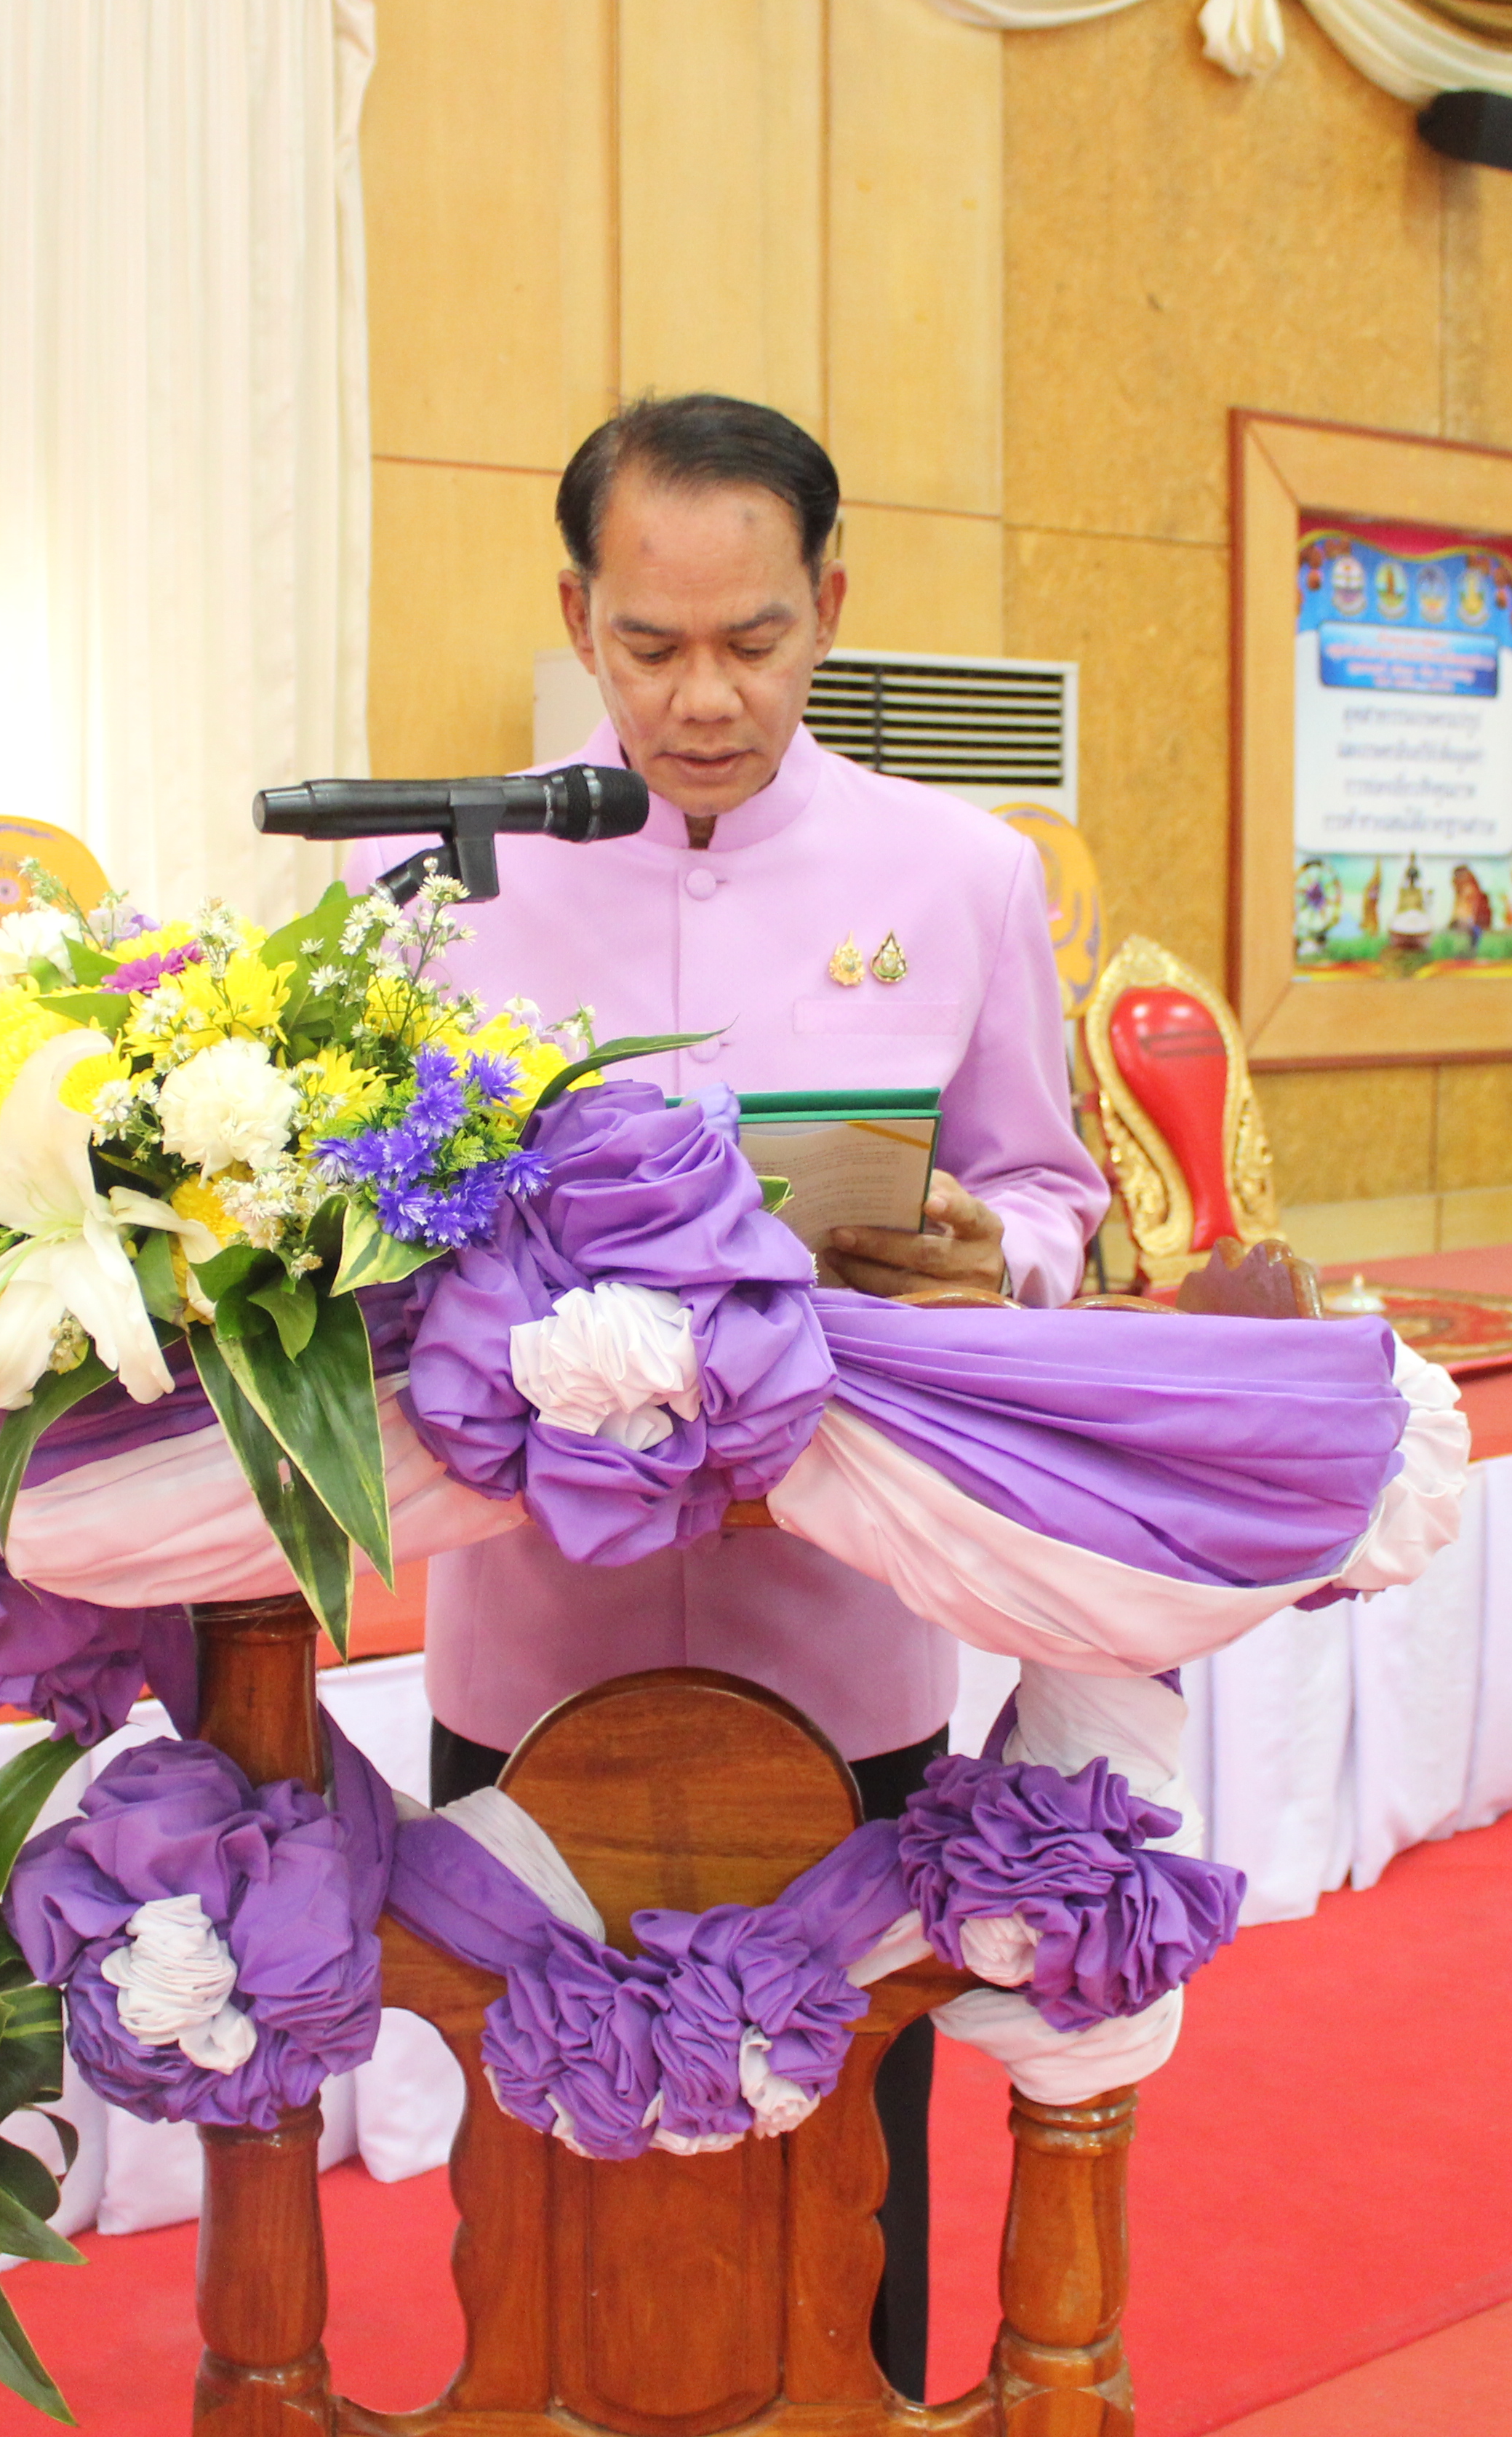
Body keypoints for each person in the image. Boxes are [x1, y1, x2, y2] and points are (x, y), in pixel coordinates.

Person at [351, 391, 1108, 2391]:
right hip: (528, 1644)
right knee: (538, 2168)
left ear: (831, 606)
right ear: (578, 613)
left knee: (842, 2161)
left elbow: (1051, 1187)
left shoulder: (957, 874)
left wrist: (992, 1246)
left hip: (839, 1644)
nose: (702, 699)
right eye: (650, 646)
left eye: (754, 642)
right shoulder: (451, 882)